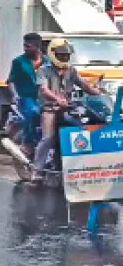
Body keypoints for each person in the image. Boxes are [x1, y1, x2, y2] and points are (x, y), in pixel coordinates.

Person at [32, 38, 102, 181]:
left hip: (69, 109)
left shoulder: (71, 70)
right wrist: (57, 99)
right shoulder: (43, 71)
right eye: (61, 54)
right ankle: (37, 170)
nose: (64, 57)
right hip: (50, 109)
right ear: (52, 54)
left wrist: (100, 94)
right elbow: (44, 90)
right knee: (48, 138)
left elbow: (85, 85)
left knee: (85, 129)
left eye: (66, 55)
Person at [7, 33, 48, 148]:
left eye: (28, 46)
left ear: (37, 46)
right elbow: (11, 81)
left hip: (45, 98)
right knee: (34, 112)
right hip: (27, 97)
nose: (25, 48)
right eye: (24, 45)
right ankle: (28, 143)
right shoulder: (18, 62)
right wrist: (15, 95)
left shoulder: (47, 61)